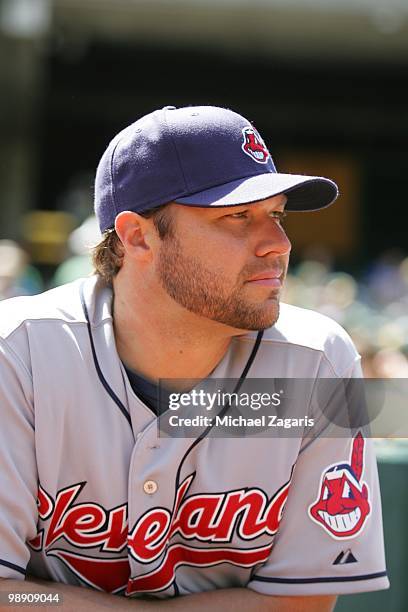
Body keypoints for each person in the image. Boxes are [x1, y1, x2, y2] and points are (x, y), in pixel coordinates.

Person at [0, 105, 388, 610]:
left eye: (276, 214)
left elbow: (298, 603)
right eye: (236, 216)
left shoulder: (315, 362)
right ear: (138, 235)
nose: (279, 244)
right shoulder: (21, 353)